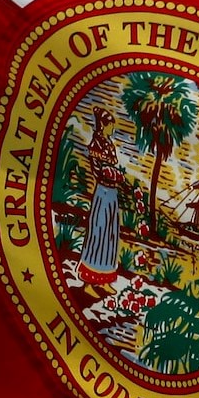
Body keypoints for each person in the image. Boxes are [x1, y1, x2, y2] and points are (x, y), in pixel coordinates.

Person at [78, 106, 124, 286]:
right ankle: (89, 282)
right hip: (103, 192)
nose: (112, 128)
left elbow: (111, 167)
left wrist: (117, 176)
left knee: (110, 235)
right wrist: (110, 174)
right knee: (99, 231)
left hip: (112, 193)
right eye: (110, 125)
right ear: (103, 125)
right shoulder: (97, 143)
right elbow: (99, 169)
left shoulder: (109, 143)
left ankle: (104, 279)